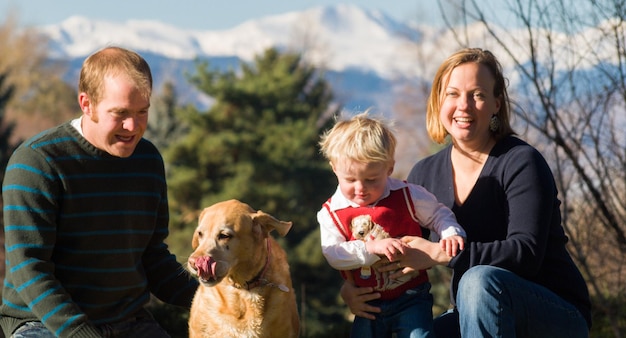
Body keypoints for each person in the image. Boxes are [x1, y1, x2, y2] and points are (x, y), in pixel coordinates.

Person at [340, 48, 592, 337]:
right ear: (438, 101)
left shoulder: (521, 162)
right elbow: (398, 252)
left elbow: (526, 253)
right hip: (472, 312)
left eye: (478, 95)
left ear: (496, 103)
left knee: (477, 281)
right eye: (453, 94)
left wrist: (439, 254)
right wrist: (353, 286)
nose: (464, 105)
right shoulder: (424, 176)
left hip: (555, 314)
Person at [0, 46, 199, 338]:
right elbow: (29, 267)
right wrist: (82, 334)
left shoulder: (147, 160)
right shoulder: (37, 162)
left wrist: (220, 302)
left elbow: (153, 257)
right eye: (120, 114)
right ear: (86, 104)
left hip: (129, 322)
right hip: (42, 323)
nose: (132, 126)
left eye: (142, 112)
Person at [317, 113, 466, 338]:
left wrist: (450, 232)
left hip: (411, 296)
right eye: (350, 180)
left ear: (389, 168)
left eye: (371, 179)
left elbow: (437, 213)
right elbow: (333, 253)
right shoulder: (332, 213)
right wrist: (369, 249)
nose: (360, 188)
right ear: (334, 168)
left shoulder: (406, 195)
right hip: (367, 303)